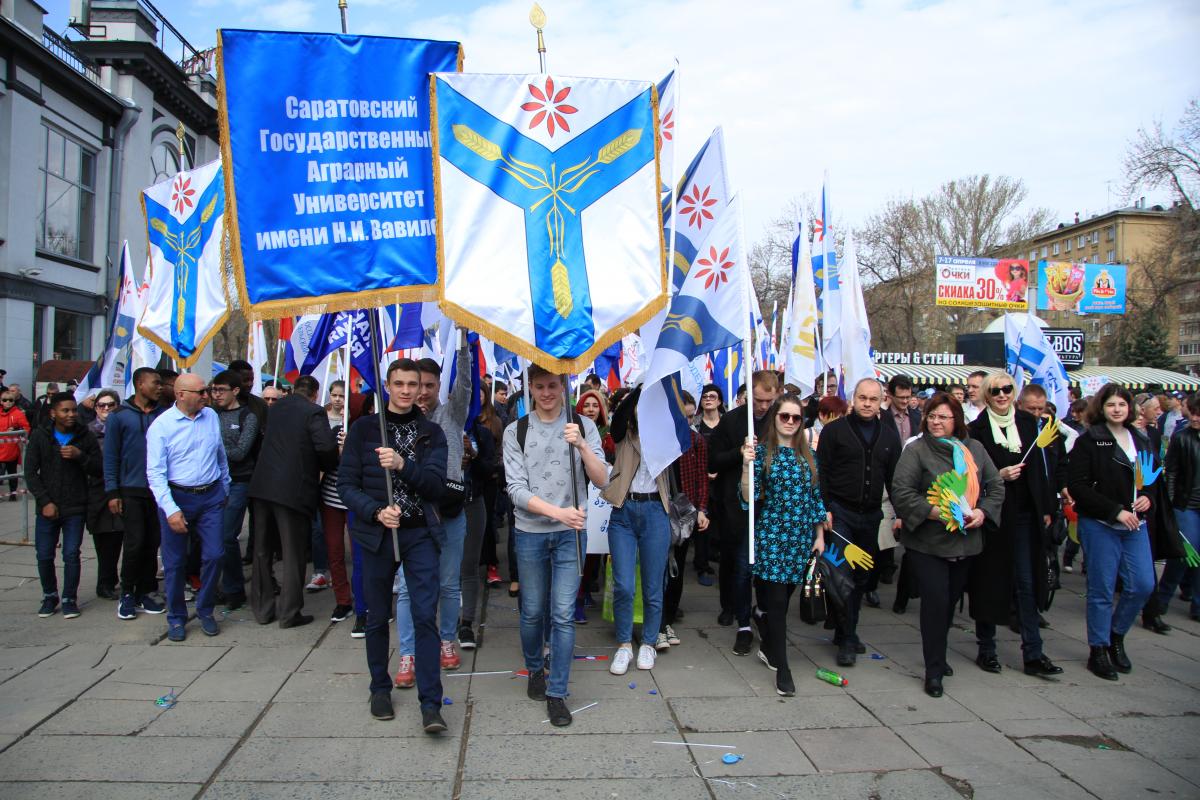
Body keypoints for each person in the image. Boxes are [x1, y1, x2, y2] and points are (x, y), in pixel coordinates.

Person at [338, 358, 449, 732]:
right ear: (387, 385)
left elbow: (436, 488)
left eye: (412, 384)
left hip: (419, 533)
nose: (405, 391)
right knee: (375, 615)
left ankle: (431, 702)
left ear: (421, 388)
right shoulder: (364, 429)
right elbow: (346, 486)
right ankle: (379, 687)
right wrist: (374, 512)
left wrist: (402, 464)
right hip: (377, 535)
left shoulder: (432, 433)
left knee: (423, 616)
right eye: (398, 383)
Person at [504, 365, 608, 727]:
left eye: (553, 386)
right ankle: (535, 667)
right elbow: (516, 490)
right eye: (540, 387)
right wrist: (557, 513)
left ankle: (557, 692)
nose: (547, 393)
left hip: (570, 537)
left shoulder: (583, 425)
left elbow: (603, 478)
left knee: (563, 614)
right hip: (531, 532)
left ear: (564, 387)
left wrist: (581, 445)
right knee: (533, 611)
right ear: (530, 388)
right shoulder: (515, 430)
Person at [891, 393, 1003, 697]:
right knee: (936, 603)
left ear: (957, 420)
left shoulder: (974, 450)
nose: (936, 422)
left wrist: (982, 512)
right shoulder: (916, 451)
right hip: (928, 542)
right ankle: (934, 668)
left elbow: (995, 486)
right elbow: (902, 492)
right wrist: (935, 512)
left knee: (950, 602)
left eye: (943, 417)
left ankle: (939, 654)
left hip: (965, 542)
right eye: (931, 416)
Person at [1066, 383, 1169, 681]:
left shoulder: (1141, 438)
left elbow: (1151, 475)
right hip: (1102, 524)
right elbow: (1078, 486)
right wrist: (1115, 511)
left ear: (1129, 409)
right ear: (1103, 407)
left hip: (1135, 524)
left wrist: (1147, 494)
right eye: (1111, 405)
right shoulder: (1090, 441)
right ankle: (1098, 649)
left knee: (1143, 584)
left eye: (1122, 405)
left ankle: (1116, 634)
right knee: (1101, 589)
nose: (1116, 409)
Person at [967, 378, 1063, 677]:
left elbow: (1041, 469)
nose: (1001, 395)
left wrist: (1046, 509)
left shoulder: (1028, 423)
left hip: (1024, 515)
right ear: (987, 394)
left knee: (1026, 583)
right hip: (993, 515)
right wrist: (998, 475)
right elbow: (971, 475)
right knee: (989, 581)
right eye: (995, 391)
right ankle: (987, 648)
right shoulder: (977, 429)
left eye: (1007, 389)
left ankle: (1033, 652)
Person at [392, 347, 473, 687]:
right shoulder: (400, 422)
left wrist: (463, 343)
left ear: (440, 386)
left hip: (450, 513)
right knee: (408, 588)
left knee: (449, 584)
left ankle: (446, 640)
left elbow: (466, 386)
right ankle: (408, 653)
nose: (421, 391)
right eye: (416, 385)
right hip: (412, 517)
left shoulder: (451, 415)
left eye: (428, 385)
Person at [741, 392, 827, 696]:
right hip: (773, 536)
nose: (790, 422)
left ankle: (766, 635)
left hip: (801, 538)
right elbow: (748, 498)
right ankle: (784, 666)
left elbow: (816, 497)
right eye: (784, 416)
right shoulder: (762, 453)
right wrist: (745, 465)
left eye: (796, 417)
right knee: (778, 604)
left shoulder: (809, 456)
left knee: (784, 598)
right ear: (774, 418)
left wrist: (819, 535)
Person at [816, 378, 900, 666]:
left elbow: (894, 479)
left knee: (862, 576)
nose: (867, 403)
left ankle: (844, 628)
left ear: (881, 402)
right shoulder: (835, 431)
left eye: (873, 399)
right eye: (862, 398)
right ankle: (848, 637)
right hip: (840, 513)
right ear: (853, 399)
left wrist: (900, 514)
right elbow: (822, 472)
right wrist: (824, 508)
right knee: (842, 576)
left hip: (871, 515)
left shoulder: (888, 436)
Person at [247, 375, 338, 628]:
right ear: (315, 392)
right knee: (293, 550)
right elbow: (325, 448)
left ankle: (263, 609)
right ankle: (289, 612)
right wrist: (331, 461)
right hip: (293, 489)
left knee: (262, 550)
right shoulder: (314, 412)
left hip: (263, 484)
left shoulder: (275, 408)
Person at [145, 374, 230, 641]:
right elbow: (155, 473)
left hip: (211, 496)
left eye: (207, 390)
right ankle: (177, 617)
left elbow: (220, 455)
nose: (207, 395)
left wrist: (224, 486)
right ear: (181, 394)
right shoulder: (162, 426)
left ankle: (205, 610)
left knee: (215, 554)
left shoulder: (211, 418)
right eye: (201, 391)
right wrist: (170, 509)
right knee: (175, 562)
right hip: (178, 497)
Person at [602, 384, 676, 673]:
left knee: (653, 584)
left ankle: (648, 643)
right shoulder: (623, 435)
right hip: (624, 511)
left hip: (656, 511)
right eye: (640, 405)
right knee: (623, 584)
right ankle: (623, 645)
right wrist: (641, 389)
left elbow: (680, 423)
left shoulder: (665, 437)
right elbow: (618, 417)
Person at [709, 370, 780, 654]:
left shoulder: (781, 419)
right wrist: (739, 453)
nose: (763, 406)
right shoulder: (733, 420)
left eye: (768, 401)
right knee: (739, 567)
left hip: (771, 508)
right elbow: (713, 459)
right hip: (738, 508)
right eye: (759, 400)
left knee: (765, 570)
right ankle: (741, 620)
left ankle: (761, 612)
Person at [25, 393, 102, 618]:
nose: (70, 415)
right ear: (53, 413)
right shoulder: (40, 436)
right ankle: (49, 595)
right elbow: (30, 472)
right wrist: (45, 501)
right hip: (48, 507)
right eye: (65, 411)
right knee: (45, 554)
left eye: (73, 410)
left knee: (71, 554)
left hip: (75, 506)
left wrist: (80, 456)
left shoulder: (84, 436)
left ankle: (69, 598)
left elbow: (97, 468)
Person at [105, 368, 167, 621]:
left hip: (158, 489)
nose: (160, 387)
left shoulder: (163, 414)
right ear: (140, 384)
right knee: (135, 542)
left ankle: (147, 590)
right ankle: (127, 592)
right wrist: (112, 491)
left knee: (153, 542)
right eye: (156, 383)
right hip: (130, 490)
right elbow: (111, 456)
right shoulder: (119, 416)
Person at [661, 391, 710, 647]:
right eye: (684, 417)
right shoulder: (659, 440)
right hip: (659, 510)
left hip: (685, 514)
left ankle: (668, 617)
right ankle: (658, 620)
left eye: (692, 417)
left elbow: (702, 477)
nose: (688, 422)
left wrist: (702, 509)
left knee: (676, 567)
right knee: (658, 567)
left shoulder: (696, 440)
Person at [209, 370, 260, 611]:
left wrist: (212, 448)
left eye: (221, 390)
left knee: (227, 536)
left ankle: (234, 588)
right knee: (212, 537)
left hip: (239, 481)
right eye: (213, 390)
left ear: (235, 391)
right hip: (211, 482)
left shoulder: (247, 416)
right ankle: (215, 585)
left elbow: (241, 452)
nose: (216, 394)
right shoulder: (210, 415)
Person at [1149, 391, 1200, 627]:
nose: (1195, 418)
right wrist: (1169, 503)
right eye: (1194, 413)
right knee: (1183, 553)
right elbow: (1172, 473)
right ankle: (1161, 599)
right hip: (1186, 504)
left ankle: (1197, 604)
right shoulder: (1182, 438)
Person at [85, 390, 123, 598]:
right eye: (102, 405)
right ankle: (105, 582)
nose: (106, 409)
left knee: (119, 537)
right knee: (103, 541)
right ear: (95, 407)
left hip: (120, 490)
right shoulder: (88, 432)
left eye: (111, 405)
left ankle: (114, 580)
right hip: (97, 493)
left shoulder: (122, 429)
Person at [693, 384, 725, 585]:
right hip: (700, 480)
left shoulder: (726, 423)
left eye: (712, 396)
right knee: (702, 523)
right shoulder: (695, 424)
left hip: (723, 480)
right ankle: (702, 564)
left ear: (720, 400)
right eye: (704, 396)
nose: (708, 399)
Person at [0, 388, 31, 501]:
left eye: (10, 400)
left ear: (14, 401)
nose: (7, 402)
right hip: (0, 448)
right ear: (1, 401)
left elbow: (26, 428)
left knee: (12, 473)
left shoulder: (18, 413)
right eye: (5, 400)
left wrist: (16, 428)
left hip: (11, 449)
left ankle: (13, 494)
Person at [884, 375, 920, 443]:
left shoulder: (917, 416)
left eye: (908, 397)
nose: (905, 401)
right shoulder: (883, 417)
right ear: (891, 395)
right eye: (901, 397)